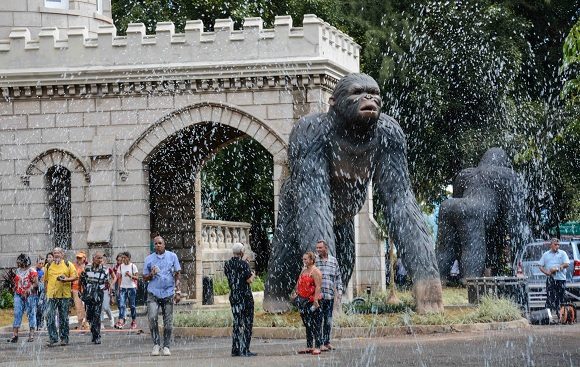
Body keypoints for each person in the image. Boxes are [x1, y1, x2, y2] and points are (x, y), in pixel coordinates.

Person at [142, 236, 181, 356]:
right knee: (152, 318)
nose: (158, 245)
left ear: (164, 244)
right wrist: (151, 274)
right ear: (153, 245)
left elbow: (177, 274)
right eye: (156, 243)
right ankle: (156, 344)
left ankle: (166, 346)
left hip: (168, 293)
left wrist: (178, 291)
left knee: (168, 322)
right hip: (153, 293)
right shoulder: (149, 259)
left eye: (160, 243)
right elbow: (144, 278)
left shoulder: (172, 256)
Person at [223, 242, 256, 357]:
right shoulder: (243, 264)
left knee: (237, 323)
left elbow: (235, 275)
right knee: (247, 323)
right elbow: (249, 280)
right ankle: (245, 349)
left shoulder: (227, 264)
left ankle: (235, 349)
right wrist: (253, 274)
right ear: (242, 252)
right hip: (245, 297)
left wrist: (244, 264)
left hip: (234, 296)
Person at [44, 247, 77, 347]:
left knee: (63, 318)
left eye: (58, 253)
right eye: (54, 253)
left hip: (64, 296)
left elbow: (75, 277)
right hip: (51, 295)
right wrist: (46, 293)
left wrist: (66, 279)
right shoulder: (48, 265)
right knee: (49, 316)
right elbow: (46, 280)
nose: (56, 254)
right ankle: (53, 338)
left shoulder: (68, 264)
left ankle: (64, 338)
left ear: (62, 254)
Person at [292, 251, 323, 355]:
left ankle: (318, 346)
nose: (303, 261)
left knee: (316, 324)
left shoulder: (315, 271)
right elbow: (298, 283)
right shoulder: (304, 270)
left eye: (305, 259)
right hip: (302, 301)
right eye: (303, 259)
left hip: (312, 301)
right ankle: (309, 346)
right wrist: (296, 293)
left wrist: (315, 300)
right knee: (307, 324)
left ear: (311, 260)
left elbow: (318, 286)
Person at [315, 240, 342, 352]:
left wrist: (339, 292)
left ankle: (327, 342)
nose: (318, 250)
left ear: (326, 248)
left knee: (328, 320)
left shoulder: (333, 261)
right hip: (319, 297)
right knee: (319, 320)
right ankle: (319, 343)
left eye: (320, 248)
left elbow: (338, 277)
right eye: (317, 248)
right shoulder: (315, 261)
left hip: (330, 296)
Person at [79, 252, 110, 344]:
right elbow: (82, 280)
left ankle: (97, 336)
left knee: (97, 314)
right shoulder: (87, 267)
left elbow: (106, 282)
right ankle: (93, 331)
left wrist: (107, 292)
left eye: (101, 258)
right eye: (98, 258)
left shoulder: (105, 269)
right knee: (89, 315)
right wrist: (82, 291)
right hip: (89, 293)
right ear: (93, 259)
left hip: (99, 293)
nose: (100, 260)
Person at [8, 254, 39, 343]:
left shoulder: (31, 270)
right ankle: (15, 335)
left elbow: (36, 283)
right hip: (18, 294)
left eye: (20, 261)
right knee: (17, 313)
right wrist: (14, 288)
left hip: (30, 295)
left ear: (25, 262)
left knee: (31, 314)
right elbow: (16, 282)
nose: (18, 263)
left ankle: (31, 334)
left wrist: (29, 289)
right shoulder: (17, 270)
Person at [539, 238, 569, 313]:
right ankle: (547, 316)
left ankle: (561, 316)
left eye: (558, 245)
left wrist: (557, 268)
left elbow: (566, 264)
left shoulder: (562, 253)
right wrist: (546, 272)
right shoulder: (546, 254)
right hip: (550, 279)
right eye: (555, 244)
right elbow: (540, 266)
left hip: (561, 279)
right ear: (551, 245)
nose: (557, 246)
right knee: (550, 297)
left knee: (561, 297)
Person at [115, 251, 139, 330]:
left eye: (124, 258)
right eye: (122, 258)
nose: (123, 259)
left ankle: (134, 321)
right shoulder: (120, 267)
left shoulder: (133, 266)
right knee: (122, 305)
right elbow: (119, 278)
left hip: (131, 288)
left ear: (128, 258)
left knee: (132, 306)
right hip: (123, 288)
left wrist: (130, 275)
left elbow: (137, 277)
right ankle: (121, 321)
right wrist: (118, 288)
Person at [71, 251, 88, 330]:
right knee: (78, 307)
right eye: (77, 258)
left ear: (84, 258)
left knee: (87, 306)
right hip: (76, 289)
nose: (78, 259)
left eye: (80, 258)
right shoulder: (73, 266)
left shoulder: (87, 267)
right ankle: (80, 324)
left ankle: (86, 322)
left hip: (86, 289)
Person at [100, 254, 117, 329]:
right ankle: (101, 322)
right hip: (97, 290)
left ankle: (111, 317)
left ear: (105, 261)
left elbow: (115, 277)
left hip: (106, 290)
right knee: (100, 307)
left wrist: (111, 284)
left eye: (102, 260)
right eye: (100, 260)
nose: (101, 261)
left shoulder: (108, 269)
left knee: (106, 307)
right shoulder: (95, 269)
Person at [35, 256, 46, 331]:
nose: (41, 264)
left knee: (41, 307)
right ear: (36, 263)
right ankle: (37, 324)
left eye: (42, 263)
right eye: (40, 263)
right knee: (36, 308)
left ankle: (41, 324)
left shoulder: (44, 270)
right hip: (35, 291)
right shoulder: (33, 270)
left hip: (42, 290)